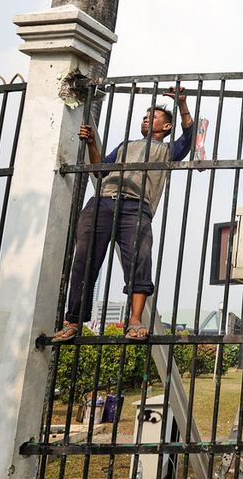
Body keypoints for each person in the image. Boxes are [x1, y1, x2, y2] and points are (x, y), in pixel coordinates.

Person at [52, 89, 194, 342]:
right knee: (84, 261)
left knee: (141, 259)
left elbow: (190, 137)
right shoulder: (125, 146)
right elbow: (99, 170)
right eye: (144, 116)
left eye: (154, 116)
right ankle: (72, 320)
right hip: (102, 202)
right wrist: (92, 142)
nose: (147, 119)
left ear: (167, 125)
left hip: (136, 206)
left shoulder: (167, 150)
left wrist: (182, 104)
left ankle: (135, 320)